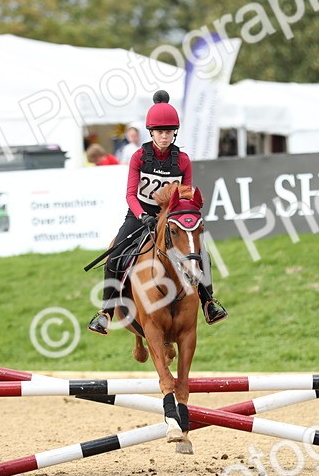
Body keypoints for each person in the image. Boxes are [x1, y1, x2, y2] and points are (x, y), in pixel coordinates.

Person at [87, 91, 228, 335]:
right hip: (139, 215)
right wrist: (143, 216)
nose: (164, 136)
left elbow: (185, 196)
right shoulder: (139, 157)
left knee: (201, 254)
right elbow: (130, 195)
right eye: (160, 132)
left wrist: (177, 217)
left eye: (169, 131)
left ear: (175, 133)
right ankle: (106, 312)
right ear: (151, 133)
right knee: (116, 254)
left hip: (171, 217)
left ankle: (209, 303)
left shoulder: (182, 160)